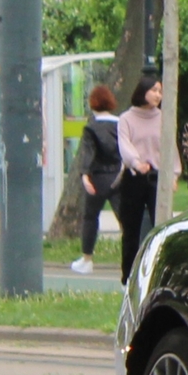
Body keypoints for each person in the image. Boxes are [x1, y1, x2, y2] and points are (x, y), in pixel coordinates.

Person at [113, 75, 165, 284]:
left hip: (157, 176)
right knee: (131, 228)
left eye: (160, 91)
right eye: (154, 90)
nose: (158, 95)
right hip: (134, 177)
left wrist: (175, 173)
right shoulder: (126, 118)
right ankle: (129, 276)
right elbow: (124, 144)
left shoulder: (163, 117)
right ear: (142, 91)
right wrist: (136, 162)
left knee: (160, 226)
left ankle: (158, 273)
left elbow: (169, 146)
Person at [70, 85, 121, 276]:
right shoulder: (120, 123)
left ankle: (87, 259)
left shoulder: (91, 127)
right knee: (126, 220)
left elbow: (89, 153)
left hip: (98, 176)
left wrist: (85, 175)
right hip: (119, 175)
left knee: (91, 217)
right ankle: (133, 259)